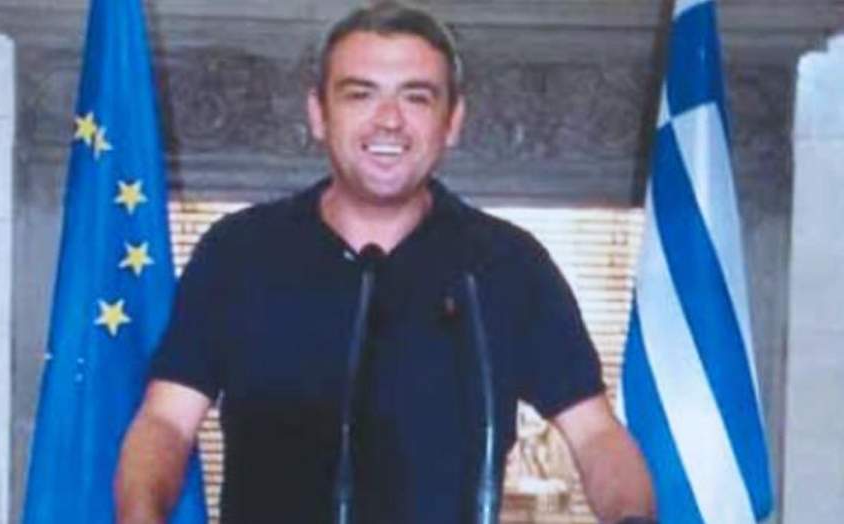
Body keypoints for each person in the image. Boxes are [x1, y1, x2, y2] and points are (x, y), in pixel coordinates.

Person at [115, 2, 656, 523]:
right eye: (360, 94)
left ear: (453, 121)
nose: (389, 120)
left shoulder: (508, 264)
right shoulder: (238, 253)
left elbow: (595, 434)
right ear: (318, 114)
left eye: (417, 97)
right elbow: (167, 420)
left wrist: (631, 518)